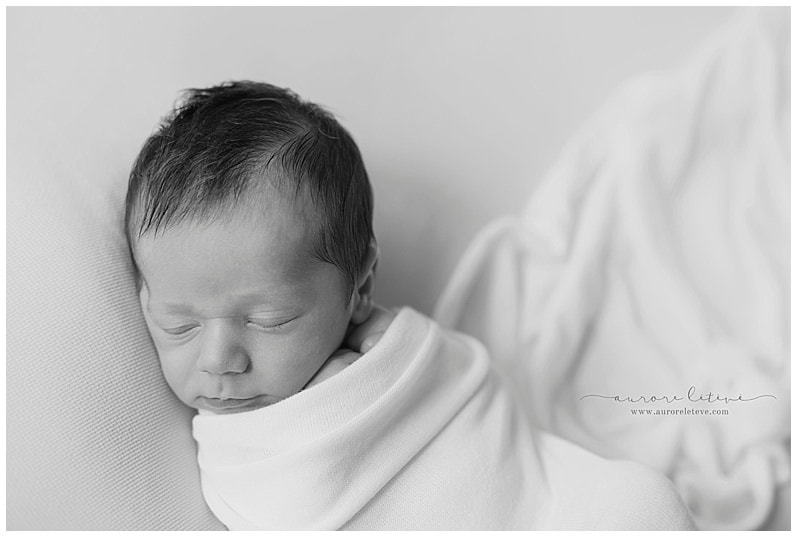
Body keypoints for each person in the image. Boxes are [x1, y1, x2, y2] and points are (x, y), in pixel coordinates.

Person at [125, 81, 696, 530]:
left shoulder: (398, 354)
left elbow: (471, 404)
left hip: (547, 510)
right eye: (178, 325)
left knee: (638, 504)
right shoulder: (243, 457)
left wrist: (378, 376)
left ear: (360, 288)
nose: (220, 359)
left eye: (269, 320)